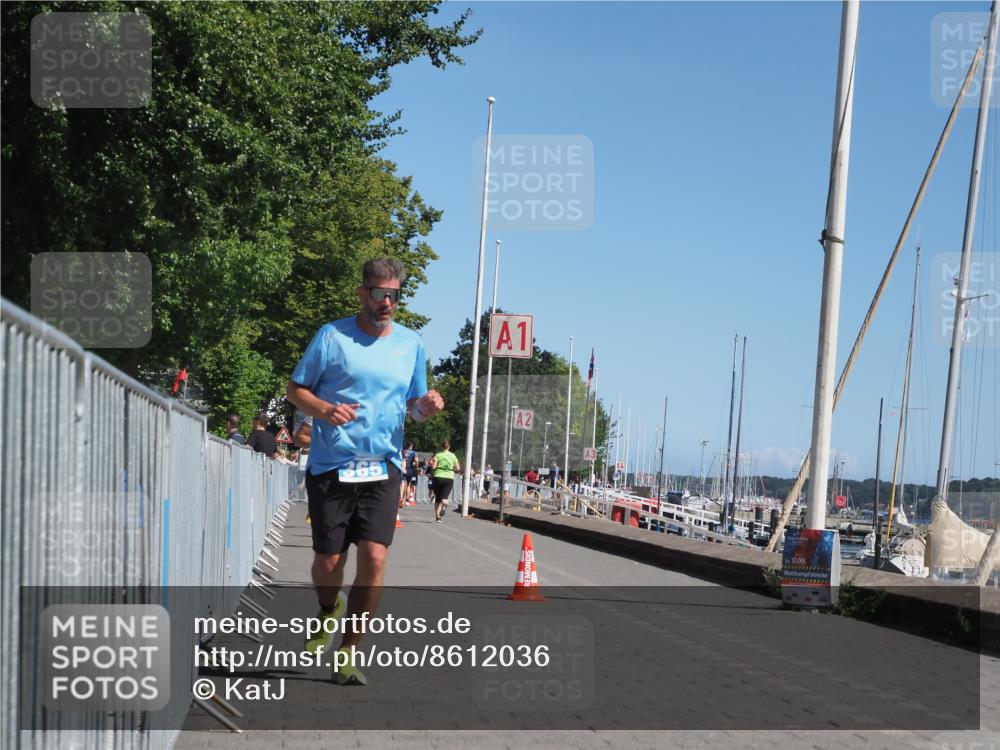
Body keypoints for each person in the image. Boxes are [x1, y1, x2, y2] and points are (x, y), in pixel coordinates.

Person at [286, 257, 444, 685]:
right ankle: (328, 608)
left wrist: (426, 408)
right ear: (362, 293)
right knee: (328, 562)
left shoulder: (411, 344)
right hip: (332, 465)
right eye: (378, 293)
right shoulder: (332, 336)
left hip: (383, 466)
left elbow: (413, 406)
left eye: (394, 295)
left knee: (374, 558)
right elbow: (296, 389)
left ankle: (349, 651)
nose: (386, 302)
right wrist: (323, 410)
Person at [429, 439, 460, 523]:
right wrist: (451, 469)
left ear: (441, 446)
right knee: (444, 498)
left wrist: (433, 464)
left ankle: (438, 516)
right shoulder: (453, 456)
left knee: (438, 499)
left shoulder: (437, 455)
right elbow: (458, 468)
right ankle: (444, 506)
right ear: (449, 446)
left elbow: (433, 467)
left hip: (438, 477)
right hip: (449, 478)